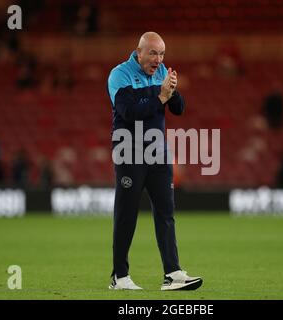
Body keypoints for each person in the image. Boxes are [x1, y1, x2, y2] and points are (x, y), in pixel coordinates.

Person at [107, 32, 202, 291]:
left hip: (157, 152)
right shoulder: (120, 75)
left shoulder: (161, 73)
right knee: (126, 214)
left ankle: (172, 273)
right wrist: (160, 97)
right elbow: (129, 112)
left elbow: (179, 109)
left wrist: (172, 90)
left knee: (166, 213)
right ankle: (120, 276)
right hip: (129, 150)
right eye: (153, 53)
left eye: (161, 54)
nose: (158, 59)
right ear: (138, 52)